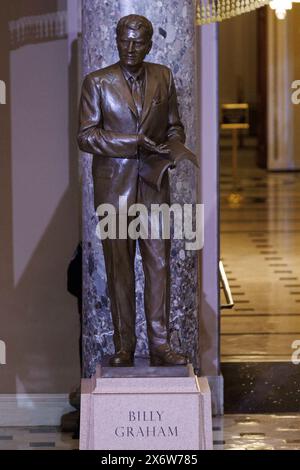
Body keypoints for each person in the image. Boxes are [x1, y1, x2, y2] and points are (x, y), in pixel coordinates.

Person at [78, 14, 187, 367]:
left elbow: (174, 127)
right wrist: (134, 142)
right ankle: (124, 345)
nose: (130, 47)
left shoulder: (163, 77)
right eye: (124, 40)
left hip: (155, 189)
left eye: (138, 42)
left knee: (159, 266)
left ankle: (160, 343)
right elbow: (86, 136)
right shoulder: (97, 82)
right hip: (116, 193)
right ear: (116, 39)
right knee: (119, 270)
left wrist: (172, 152)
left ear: (150, 44)